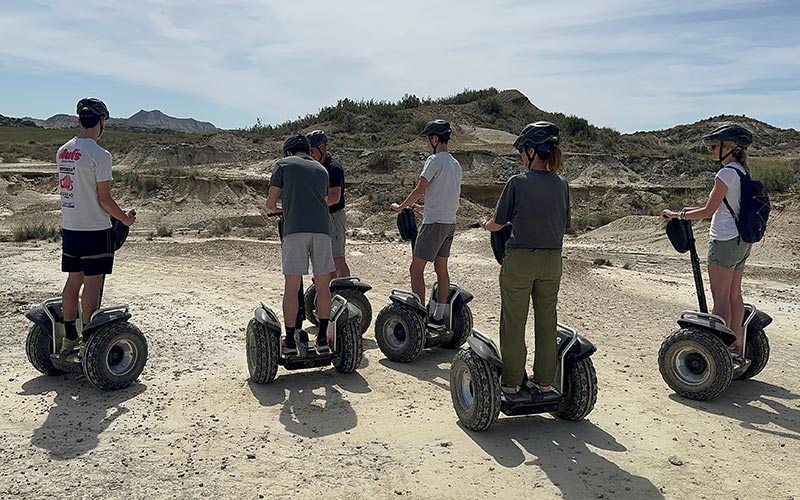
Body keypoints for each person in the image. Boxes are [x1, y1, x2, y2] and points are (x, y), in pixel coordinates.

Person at [480, 121, 569, 401]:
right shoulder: (562, 185)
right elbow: (564, 223)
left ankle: (511, 383)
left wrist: (484, 224)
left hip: (520, 260)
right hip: (553, 260)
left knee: (514, 322)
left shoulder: (517, 182)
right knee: (546, 322)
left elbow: (498, 224)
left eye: (522, 150)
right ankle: (544, 382)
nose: (520, 155)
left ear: (531, 151)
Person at [661, 124, 754, 357]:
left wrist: (678, 215)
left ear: (729, 147)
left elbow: (708, 211)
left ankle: (718, 352)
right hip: (741, 240)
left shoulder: (725, 173)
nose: (711, 150)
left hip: (723, 239)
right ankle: (736, 347)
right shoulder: (742, 172)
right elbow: (715, 207)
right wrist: (681, 211)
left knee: (721, 298)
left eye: (714, 146)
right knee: (735, 295)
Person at [57, 97, 136, 358]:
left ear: (79, 120)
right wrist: (124, 218)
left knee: (73, 280)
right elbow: (104, 199)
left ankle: (70, 338)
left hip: (70, 227)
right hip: (94, 229)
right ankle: (89, 341)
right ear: (101, 121)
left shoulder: (63, 151)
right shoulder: (100, 155)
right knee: (93, 282)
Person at [391, 119, 462, 330]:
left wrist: (401, 206)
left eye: (427, 139)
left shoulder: (434, 160)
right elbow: (447, 194)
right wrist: (422, 208)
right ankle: (439, 314)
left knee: (416, 268)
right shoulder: (455, 164)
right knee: (441, 268)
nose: (426, 144)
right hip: (449, 222)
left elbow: (420, 188)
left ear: (434, 139)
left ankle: (418, 316)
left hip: (433, 224)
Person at [266, 134, 334, 354]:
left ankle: (291, 342)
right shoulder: (322, 170)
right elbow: (321, 200)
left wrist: (283, 210)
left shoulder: (283, 165)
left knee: (292, 286)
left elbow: (270, 204)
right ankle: (322, 338)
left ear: (288, 152)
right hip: (323, 229)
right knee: (323, 286)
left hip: (295, 230)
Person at [307, 130, 351, 278]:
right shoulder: (314, 168)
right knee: (327, 260)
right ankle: (333, 291)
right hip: (321, 217)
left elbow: (334, 198)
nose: (310, 155)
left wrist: (310, 205)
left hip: (333, 217)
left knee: (338, 259)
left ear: (323, 149)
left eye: (312, 151)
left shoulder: (333, 168)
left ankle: (347, 291)